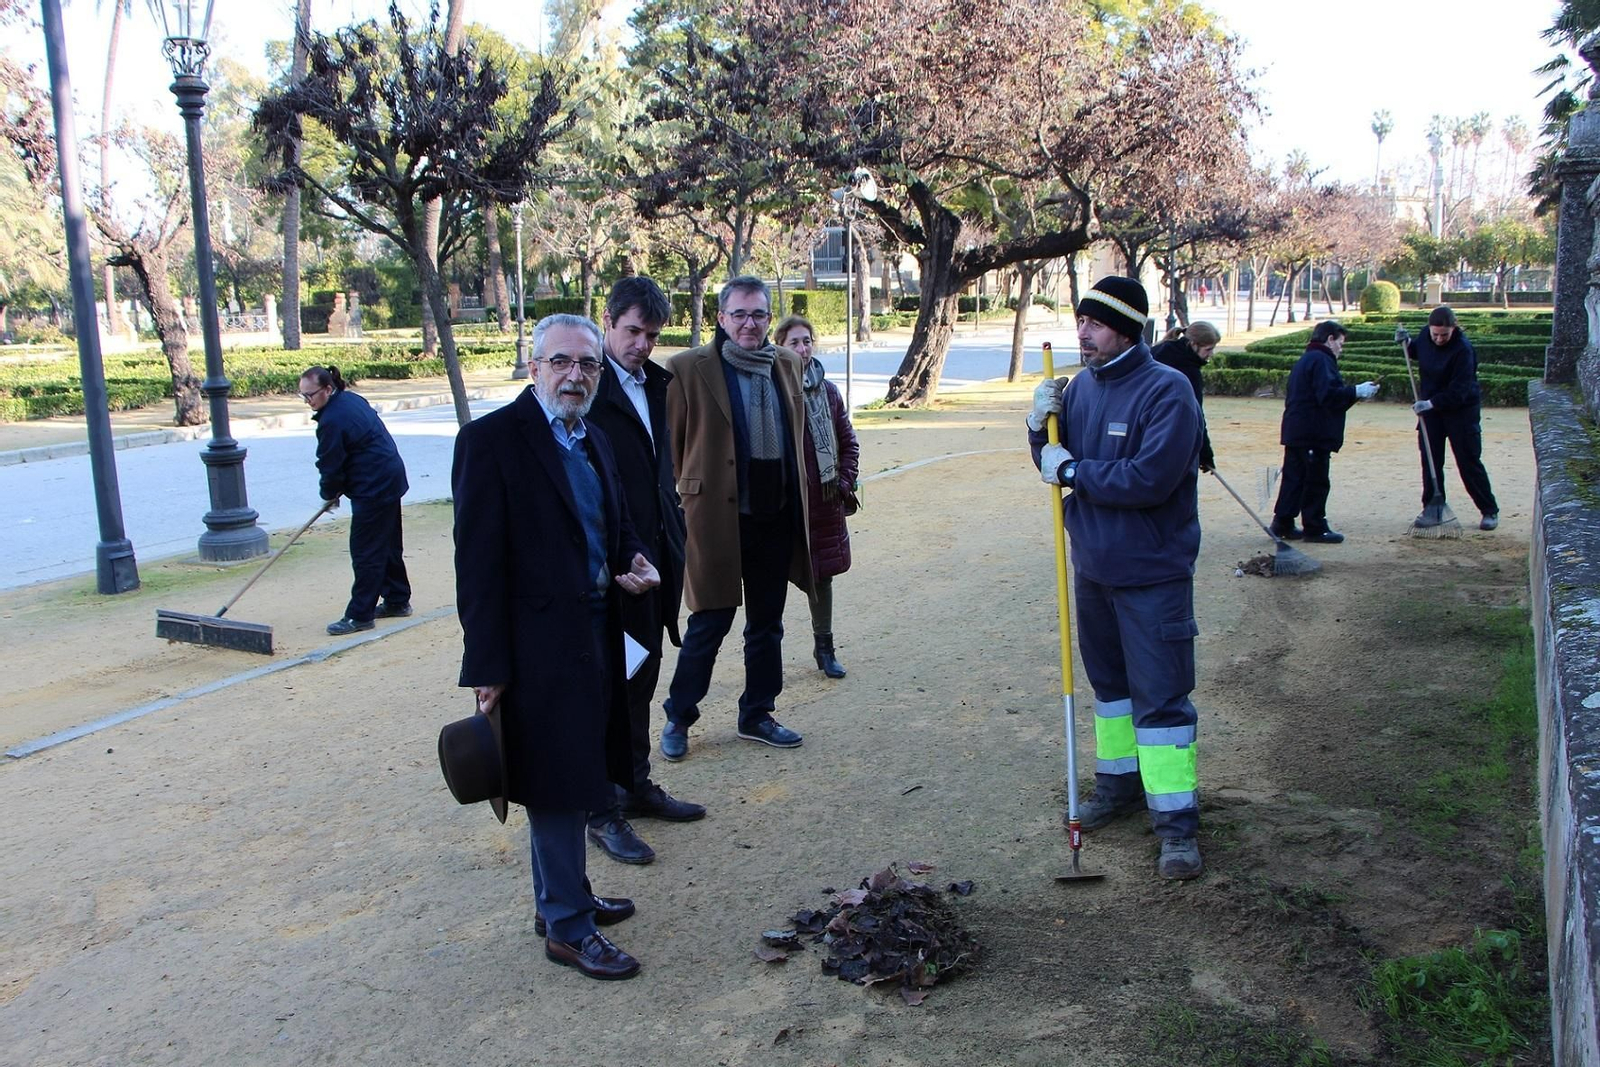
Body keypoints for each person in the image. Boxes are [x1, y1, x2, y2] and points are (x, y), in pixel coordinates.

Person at [451, 313, 661, 981]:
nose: (576, 375)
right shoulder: (490, 441)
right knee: (555, 785)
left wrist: (636, 561)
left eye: (588, 365)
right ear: (534, 366)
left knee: (581, 770)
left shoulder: (593, 435)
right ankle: (568, 928)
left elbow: (617, 526)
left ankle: (561, 899)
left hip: (598, 632)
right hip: (534, 647)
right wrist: (487, 667)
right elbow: (476, 565)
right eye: (562, 362)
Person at [1026, 276, 1206, 881]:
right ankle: (1117, 785)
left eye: (1095, 324)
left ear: (1125, 329)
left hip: (1152, 575)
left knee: (1161, 700)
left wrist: (1072, 466)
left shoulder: (1169, 391)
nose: (1082, 333)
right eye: (1080, 320)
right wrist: (1039, 429)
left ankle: (1176, 827)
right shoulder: (1078, 389)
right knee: (1111, 694)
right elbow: (1053, 462)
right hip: (1094, 569)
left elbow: (1148, 479)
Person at [659, 276, 811, 761]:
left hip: (775, 517)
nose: (750, 323)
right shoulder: (686, 368)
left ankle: (757, 713)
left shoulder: (785, 363)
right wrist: (685, 506)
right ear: (721, 318)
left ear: (770, 319)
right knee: (710, 621)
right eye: (740, 314)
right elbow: (674, 449)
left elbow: (797, 432)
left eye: (759, 314)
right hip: (715, 520)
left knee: (767, 624)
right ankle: (679, 716)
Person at [582, 277, 704, 867]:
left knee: (642, 676)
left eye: (652, 335)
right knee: (604, 688)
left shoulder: (659, 383)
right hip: (608, 570)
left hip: (653, 564)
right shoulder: (585, 385)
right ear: (607, 321)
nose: (641, 345)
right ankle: (600, 807)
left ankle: (633, 783)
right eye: (632, 331)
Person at [773, 314, 861, 679]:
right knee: (772, 581)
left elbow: (848, 443)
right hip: (782, 506)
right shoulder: (770, 389)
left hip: (823, 502)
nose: (802, 348)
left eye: (807, 340)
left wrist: (842, 483)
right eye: (794, 342)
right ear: (779, 346)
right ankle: (767, 659)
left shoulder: (828, 391)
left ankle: (824, 647)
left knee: (821, 578)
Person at [299, 364, 411, 636]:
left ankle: (360, 614)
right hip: (389, 478)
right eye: (302, 396)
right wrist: (334, 491)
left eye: (310, 395)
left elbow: (330, 463)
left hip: (373, 486)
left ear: (327, 389)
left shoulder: (332, 421)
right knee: (387, 543)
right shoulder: (350, 400)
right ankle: (397, 599)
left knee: (366, 552)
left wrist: (329, 494)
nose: (307, 402)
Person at [1269, 321, 1380, 544]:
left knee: (1295, 478)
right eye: (1340, 343)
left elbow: (1323, 396)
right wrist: (1356, 391)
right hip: (1313, 431)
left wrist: (1355, 394)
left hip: (1298, 429)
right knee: (1315, 480)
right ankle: (1315, 526)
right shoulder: (1321, 360)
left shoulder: (1308, 358)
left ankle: (1283, 523)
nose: (1342, 348)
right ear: (1330, 339)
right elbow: (1328, 396)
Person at [1408, 306, 1499, 531]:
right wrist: (1407, 342)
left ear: (1453, 329)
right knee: (1431, 461)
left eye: (1444, 335)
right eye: (1435, 334)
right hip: (1431, 414)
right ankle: (1432, 507)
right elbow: (1416, 351)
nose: (1439, 339)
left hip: (1461, 411)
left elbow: (1459, 391)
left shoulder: (1463, 350)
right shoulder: (1424, 336)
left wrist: (1429, 403)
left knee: (1468, 461)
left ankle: (1489, 510)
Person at [1152, 321, 1221, 472]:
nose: (1211, 354)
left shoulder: (1157, 351)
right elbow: (1196, 416)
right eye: (1208, 349)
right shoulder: (1189, 371)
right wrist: (1205, 455)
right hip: (1170, 440)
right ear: (1193, 344)